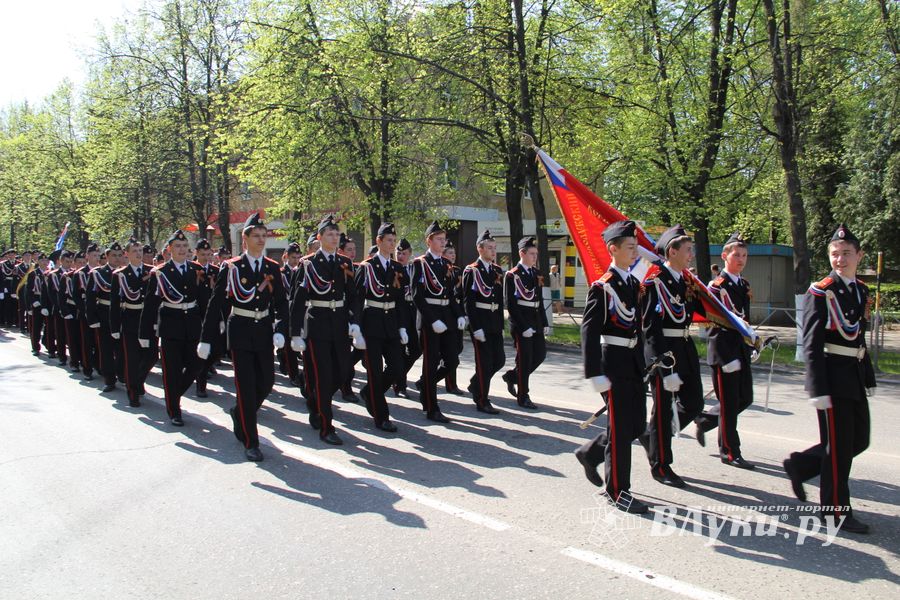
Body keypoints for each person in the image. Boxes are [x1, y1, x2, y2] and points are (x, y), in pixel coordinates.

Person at [782, 224, 875, 534]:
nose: (840, 259)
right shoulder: (821, 291)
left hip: (855, 376)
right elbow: (810, 342)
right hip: (832, 379)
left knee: (859, 440)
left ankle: (801, 465)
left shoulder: (860, 290)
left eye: (846, 253)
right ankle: (835, 511)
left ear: (859, 255)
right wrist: (817, 387)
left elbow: (858, 336)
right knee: (838, 448)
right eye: (835, 254)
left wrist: (869, 376)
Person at [200, 213, 290, 461]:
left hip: (263, 330)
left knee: (267, 382)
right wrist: (206, 338)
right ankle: (251, 441)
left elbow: (282, 304)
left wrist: (281, 329)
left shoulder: (273, 268)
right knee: (247, 389)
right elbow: (215, 303)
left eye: (264, 236)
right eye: (257, 236)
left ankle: (238, 412)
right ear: (246, 238)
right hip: (239, 330)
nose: (262, 240)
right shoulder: (231, 268)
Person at [575, 220, 649, 514]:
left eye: (635, 247)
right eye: (630, 247)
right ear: (613, 249)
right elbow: (589, 332)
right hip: (612, 365)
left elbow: (637, 328)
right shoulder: (602, 288)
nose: (634, 252)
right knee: (620, 430)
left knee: (635, 425)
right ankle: (618, 491)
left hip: (632, 364)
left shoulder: (632, 284)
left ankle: (590, 453)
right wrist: (593, 373)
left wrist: (643, 363)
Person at [638, 225, 707, 488]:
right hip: (664, 353)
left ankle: (653, 437)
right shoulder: (655, 283)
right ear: (673, 252)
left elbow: (708, 308)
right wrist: (660, 361)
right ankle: (661, 465)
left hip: (685, 349)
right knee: (663, 410)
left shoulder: (687, 281)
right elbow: (649, 327)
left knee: (694, 403)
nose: (692, 255)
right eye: (688, 250)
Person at [290, 214, 359, 445]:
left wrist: (355, 322)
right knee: (323, 374)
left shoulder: (345, 263)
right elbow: (298, 300)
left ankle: (313, 402)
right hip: (317, 323)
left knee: (341, 373)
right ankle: (326, 427)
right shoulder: (308, 263)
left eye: (337, 234)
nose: (334, 237)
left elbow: (353, 297)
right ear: (319, 238)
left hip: (339, 323)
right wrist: (295, 331)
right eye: (329, 234)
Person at [694, 233, 757, 468]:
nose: (740, 259)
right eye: (736, 255)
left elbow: (744, 320)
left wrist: (751, 341)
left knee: (745, 398)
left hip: (740, 349)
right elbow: (713, 324)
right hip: (724, 352)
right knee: (730, 404)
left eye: (744, 255)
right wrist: (726, 356)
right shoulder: (717, 287)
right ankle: (730, 452)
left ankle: (706, 420)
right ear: (724, 256)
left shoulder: (743, 284)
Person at [139, 229, 207, 426]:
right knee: (172, 370)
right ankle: (174, 410)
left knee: (197, 364)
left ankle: (173, 394)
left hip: (193, 324)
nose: (182, 249)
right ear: (169, 249)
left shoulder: (195, 269)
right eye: (177, 246)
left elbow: (203, 300)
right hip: (170, 326)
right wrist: (145, 333)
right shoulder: (160, 273)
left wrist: (212, 323)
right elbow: (150, 305)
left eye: (185, 246)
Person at [354, 222, 409, 432]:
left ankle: (370, 392)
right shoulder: (366, 267)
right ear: (378, 242)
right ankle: (381, 416)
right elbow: (358, 300)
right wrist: (356, 328)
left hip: (392, 322)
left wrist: (403, 326)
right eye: (389, 241)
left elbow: (402, 301)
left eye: (394, 241)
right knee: (375, 371)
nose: (392, 244)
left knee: (398, 367)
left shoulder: (397, 268)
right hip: (372, 321)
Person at [412, 221, 465, 423]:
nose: (443, 243)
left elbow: (450, 295)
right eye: (439, 240)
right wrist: (432, 319)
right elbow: (417, 296)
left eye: (444, 240)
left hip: (448, 317)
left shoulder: (446, 265)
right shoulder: (420, 263)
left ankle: (426, 387)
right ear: (429, 241)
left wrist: (459, 314)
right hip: (430, 319)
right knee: (431, 362)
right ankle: (432, 407)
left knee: (452, 360)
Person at [501, 236, 548, 410]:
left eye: (536, 253)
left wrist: (545, 322)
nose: (535, 257)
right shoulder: (512, 275)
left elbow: (540, 300)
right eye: (532, 253)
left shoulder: (537, 274)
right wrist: (523, 326)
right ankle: (523, 395)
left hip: (535, 321)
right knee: (525, 359)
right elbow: (511, 304)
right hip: (522, 323)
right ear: (522, 253)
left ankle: (512, 377)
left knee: (540, 355)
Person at [463, 229, 505, 414]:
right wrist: (475, 327)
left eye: (494, 248)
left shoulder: (497, 270)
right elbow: (468, 302)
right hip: (480, 322)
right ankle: (482, 399)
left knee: (499, 360)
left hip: (494, 321)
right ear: (480, 249)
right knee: (485, 363)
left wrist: (502, 325)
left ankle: (475, 383)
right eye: (489, 248)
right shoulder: (472, 270)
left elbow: (499, 299)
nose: (493, 251)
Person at [110, 239, 153, 407]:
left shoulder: (152, 271)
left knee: (150, 357)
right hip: (130, 318)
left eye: (140, 250)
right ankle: (133, 392)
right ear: (126, 254)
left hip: (147, 319)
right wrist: (115, 326)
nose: (138, 253)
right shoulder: (120, 274)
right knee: (132, 359)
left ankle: (137, 381)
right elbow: (115, 303)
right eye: (134, 250)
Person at [86, 242, 123, 393]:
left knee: (122, 349)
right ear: (106, 257)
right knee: (106, 349)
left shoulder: (125, 272)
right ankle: (109, 379)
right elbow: (90, 298)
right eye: (113, 255)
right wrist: (92, 318)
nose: (117, 258)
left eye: (119, 255)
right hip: (104, 314)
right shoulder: (98, 273)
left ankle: (122, 374)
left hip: (122, 314)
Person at [192, 238, 220, 398]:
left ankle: (205, 369)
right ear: (196, 253)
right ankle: (200, 385)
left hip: (212, 315)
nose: (206, 258)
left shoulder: (215, 271)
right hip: (195, 315)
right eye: (203, 254)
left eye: (208, 254)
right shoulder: (191, 269)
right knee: (200, 352)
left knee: (217, 350)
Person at [393, 238, 419, 398]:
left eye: (404, 253)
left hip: (412, 310)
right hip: (397, 310)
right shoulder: (392, 268)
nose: (401, 256)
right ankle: (400, 385)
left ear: (410, 254)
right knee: (400, 349)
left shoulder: (414, 268)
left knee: (416, 348)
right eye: (398, 253)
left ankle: (397, 374)